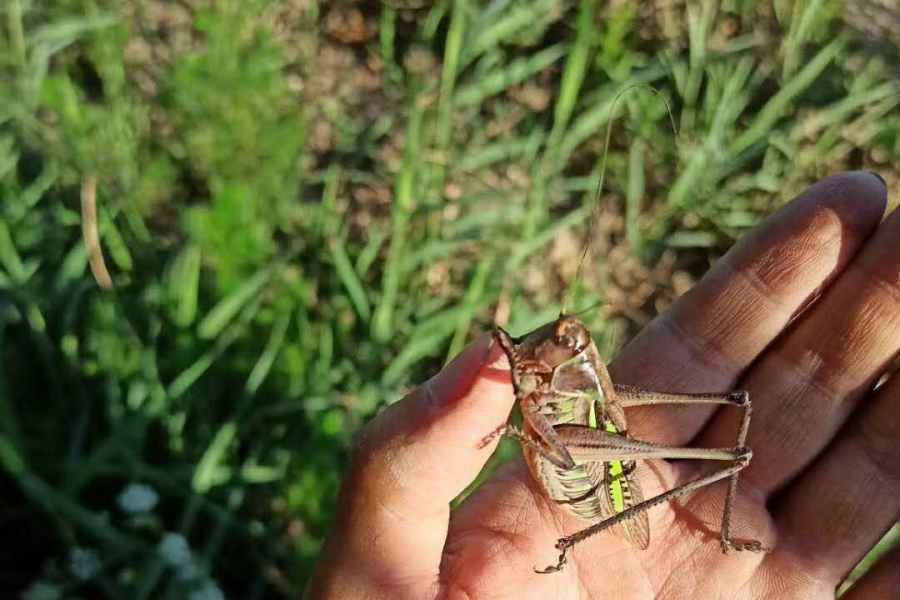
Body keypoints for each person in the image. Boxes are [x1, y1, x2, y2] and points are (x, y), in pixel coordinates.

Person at [304, 172, 898, 599]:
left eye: (563, 341)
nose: (550, 346)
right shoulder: (555, 375)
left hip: (605, 483)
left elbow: (557, 438)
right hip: (579, 453)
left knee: (709, 435)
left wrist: (524, 426)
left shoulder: (574, 387)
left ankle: (718, 525)